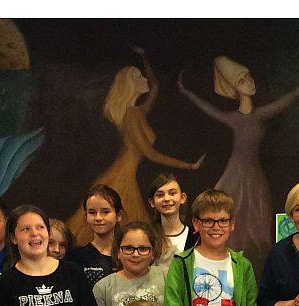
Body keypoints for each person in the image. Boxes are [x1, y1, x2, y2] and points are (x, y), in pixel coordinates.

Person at [177, 58, 299, 256]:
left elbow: (286, 100)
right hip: (236, 172)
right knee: (230, 210)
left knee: (257, 217)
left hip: (254, 173)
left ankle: (254, 259)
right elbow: (208, 109)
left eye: (248, 77)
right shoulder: (234, 118)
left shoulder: (260, 114)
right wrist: (185, 91)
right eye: (242, 81)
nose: (249, 82)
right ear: (235, 88)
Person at [67, 47, 204, 238]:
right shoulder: (131, 116)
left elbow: (155, 87)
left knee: (126, 231)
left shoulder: (137, 112)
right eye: (139, 77)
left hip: (126, 175)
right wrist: (188, 165)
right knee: (118, 230)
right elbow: (150, 153)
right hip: (120, 177)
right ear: (131, 84)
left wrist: (144, 58)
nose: (144, 80)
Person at [93, 220, 170, 306]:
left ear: (153, 253)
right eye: (128, 248)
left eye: (143, 249)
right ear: (118, 252)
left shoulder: (167, 277)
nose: (135, 254)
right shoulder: (103, 287)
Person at [66, 183, 124, 288]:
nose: (98, 218)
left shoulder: (129, 253)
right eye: (92, 212)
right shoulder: (76, 257)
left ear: (118, 215)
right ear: (86, 216)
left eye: (105, 212)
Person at [147, 173, 199, 261]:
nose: (166, 199)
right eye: (160, 195)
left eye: (172, 193)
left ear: (182, 198)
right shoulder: (146, 236)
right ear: (152, 202)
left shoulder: (197, 236)